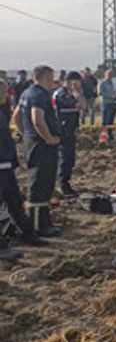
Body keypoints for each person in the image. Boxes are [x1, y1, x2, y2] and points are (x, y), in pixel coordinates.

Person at [19, 66, 62, 237]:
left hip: (33, 142)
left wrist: (26, 134)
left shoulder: (27, 93)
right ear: (46, 77)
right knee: (41, 183)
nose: (53, 80)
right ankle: (39, 225)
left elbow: (17, 116)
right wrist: (48, 138)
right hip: (42, 145)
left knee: (42, 182)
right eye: (52, 76)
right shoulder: (40, 95)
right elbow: (37, 119)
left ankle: (44, 220)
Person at [0, 85, 45, 247]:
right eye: (3, 92)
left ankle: (26, 233)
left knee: (15, 202)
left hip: (6, 164)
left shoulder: (3, 111)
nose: (6, 95)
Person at [52, 71, 86, 197]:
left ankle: (64, 183)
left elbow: (83, 105)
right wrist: (77, 91)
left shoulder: (69, 93)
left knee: (69, 158)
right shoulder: (62, 94)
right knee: (66, 158)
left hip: (69, 129)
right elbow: (81, 105)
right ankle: (63, 185)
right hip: (64, 130)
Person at [99, 69, 116, 139]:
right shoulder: (102, 83)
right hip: (106, 104)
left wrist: (115, 97)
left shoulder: (112, 83)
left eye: (111, 75)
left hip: (113, 103)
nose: (110, 76)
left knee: (111, 121)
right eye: (109, 75)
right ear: (105, 75)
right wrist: (111, 97)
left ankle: (110, 135)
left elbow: (115, 92)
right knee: (105, 121)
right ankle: (103, 137)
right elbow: (100, 93)